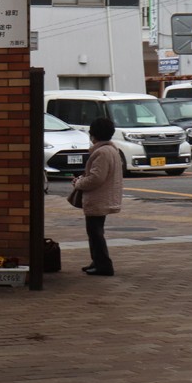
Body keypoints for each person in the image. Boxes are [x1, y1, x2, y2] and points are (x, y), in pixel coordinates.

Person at [69, 116, 123, 274]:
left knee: (95, 233)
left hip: (98, 198)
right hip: (105, 196)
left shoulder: (101, 152)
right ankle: (96, 262)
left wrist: (78, 183)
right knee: (95, 231)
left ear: (94, 134)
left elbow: (96, 178)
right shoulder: (112, 150)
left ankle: (103, 265)